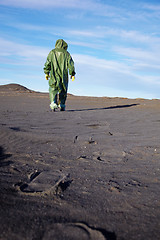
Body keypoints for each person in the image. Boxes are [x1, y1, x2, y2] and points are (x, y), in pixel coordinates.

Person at [44, 39, 76, 111]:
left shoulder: (52, 52)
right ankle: (62, 104)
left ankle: (53, 103)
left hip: (53, 74)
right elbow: (71, 65)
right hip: (64, 75)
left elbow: (48, 63)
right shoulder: (67, 54)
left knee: (53, 88)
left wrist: (46, 72)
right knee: (63, 89)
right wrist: (72, 74)